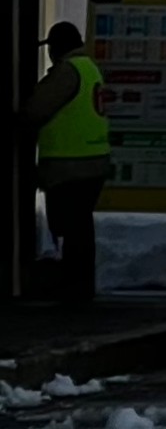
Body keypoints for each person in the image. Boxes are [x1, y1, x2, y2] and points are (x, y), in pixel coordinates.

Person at [23, 22, 108, 302]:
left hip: (71, 164)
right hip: (93, 162)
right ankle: (80, 284)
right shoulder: (89, 68)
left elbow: (36, 110)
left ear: (55, 47)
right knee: (80, 227)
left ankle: (74, 286)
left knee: (71, 227)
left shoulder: (67, 71)